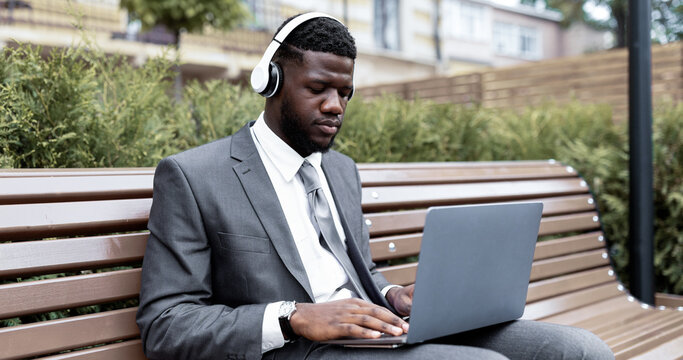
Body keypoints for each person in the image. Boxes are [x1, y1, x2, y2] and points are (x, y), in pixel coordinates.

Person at [136, 13, 614, 360]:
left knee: (578, 350)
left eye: (344, 93)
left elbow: (353, 271)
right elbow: (165, 325)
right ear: (272, 81)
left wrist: (389, 296)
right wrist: (293, 316)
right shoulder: (195, 176)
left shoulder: (340, 170)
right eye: (318, 88)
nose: (334, 106)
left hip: (377, 333)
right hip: (296, 350)